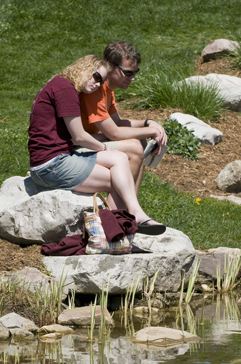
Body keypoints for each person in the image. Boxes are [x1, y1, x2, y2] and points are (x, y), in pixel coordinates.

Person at [28, 55, 165, 234]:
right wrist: (103, 147)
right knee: (120, 181)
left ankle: (130, 216)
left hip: (59, 157)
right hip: (50, 166)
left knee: (120, 159)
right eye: (96, 77)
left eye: (102, 81)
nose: (97, 84)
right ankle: (116, 227)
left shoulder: (64, 86)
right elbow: (79, 137)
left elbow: (76, 137)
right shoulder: (65, 90)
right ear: (84, 69)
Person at [79, 41, 168, 194]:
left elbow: (118, 122)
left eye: (135, 72)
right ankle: (120, 210)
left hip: (93, 140)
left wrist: (148, 123)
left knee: (140, 140)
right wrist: (151, 131)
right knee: (134, 148)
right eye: (127, 73)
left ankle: (131, 206)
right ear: (109, 66)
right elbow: (113, 133)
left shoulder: (108, 89)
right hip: (75, 146)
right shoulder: (95, 90)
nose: (132, 78)